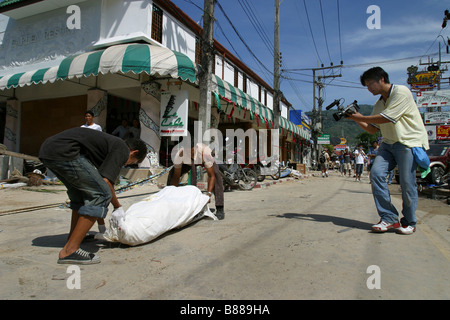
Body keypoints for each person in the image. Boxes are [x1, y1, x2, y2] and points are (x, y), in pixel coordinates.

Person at [39, 127, 147, 264]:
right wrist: (117, 207)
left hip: (49, 150)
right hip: (65, 151)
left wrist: (101, 227)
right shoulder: (122, 149)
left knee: (81, 196)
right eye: (132, 162)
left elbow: (96, 185)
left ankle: (73, 238)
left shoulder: (109, 147)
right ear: (133, 152)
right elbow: (105, 184)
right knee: (102, 194)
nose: (128, 164)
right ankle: (70, 250)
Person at [347, 67, 429, 235]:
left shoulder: (401, 92)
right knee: (376, 174)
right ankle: (389, 218)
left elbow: (387, 118)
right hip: (388, 144)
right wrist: (354, 117)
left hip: (408, 142)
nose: (369, 88)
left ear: (382, 79)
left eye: (370, 84)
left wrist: (358, 117)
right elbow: (372, 129)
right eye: (367, 86)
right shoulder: (379, 103)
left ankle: (409, 221)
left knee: (407, 183)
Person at [167, 142, 225, 220]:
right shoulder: (180, 155)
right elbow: (176, 177)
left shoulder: (204, 153)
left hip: (203, 159)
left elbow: (211, 176)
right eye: (187, 152)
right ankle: (168, 201)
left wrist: (208, 194)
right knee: (172, 174)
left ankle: (220, 207)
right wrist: (172, 191)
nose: (190, 154)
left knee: (216, 174)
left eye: (191, 152)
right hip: (189, 163)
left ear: (195, 148)